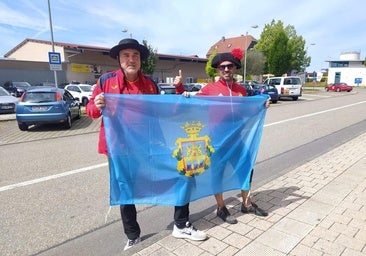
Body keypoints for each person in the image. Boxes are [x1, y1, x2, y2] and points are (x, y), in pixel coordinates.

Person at [86, 38, 207, 251]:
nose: (131, 59)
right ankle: (133, 237)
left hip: (149, 145)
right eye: (126, 55)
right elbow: (91, 112)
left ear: (140, 59)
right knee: (126, 191)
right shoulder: (105, 81)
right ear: (119, 58)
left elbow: (162, 111)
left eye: (136, 55)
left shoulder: (150, 84)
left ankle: (180, 224)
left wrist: (180, 92)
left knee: (183, 172)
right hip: (120, 149)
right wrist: (96, 105)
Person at [174, 49, 269, 225]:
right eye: (222, 67)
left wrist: (264, 102)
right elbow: (189, 102)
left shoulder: (241, 90)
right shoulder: (209, 89)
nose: (226, 70)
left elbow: (254, 104)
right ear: (218, 70)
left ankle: (246, 203)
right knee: (217, 173)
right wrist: (180, 88)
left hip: (237, 139)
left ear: (235, 68)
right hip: (217, 140)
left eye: (230, 66)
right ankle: (221, 207)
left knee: (246, 169)